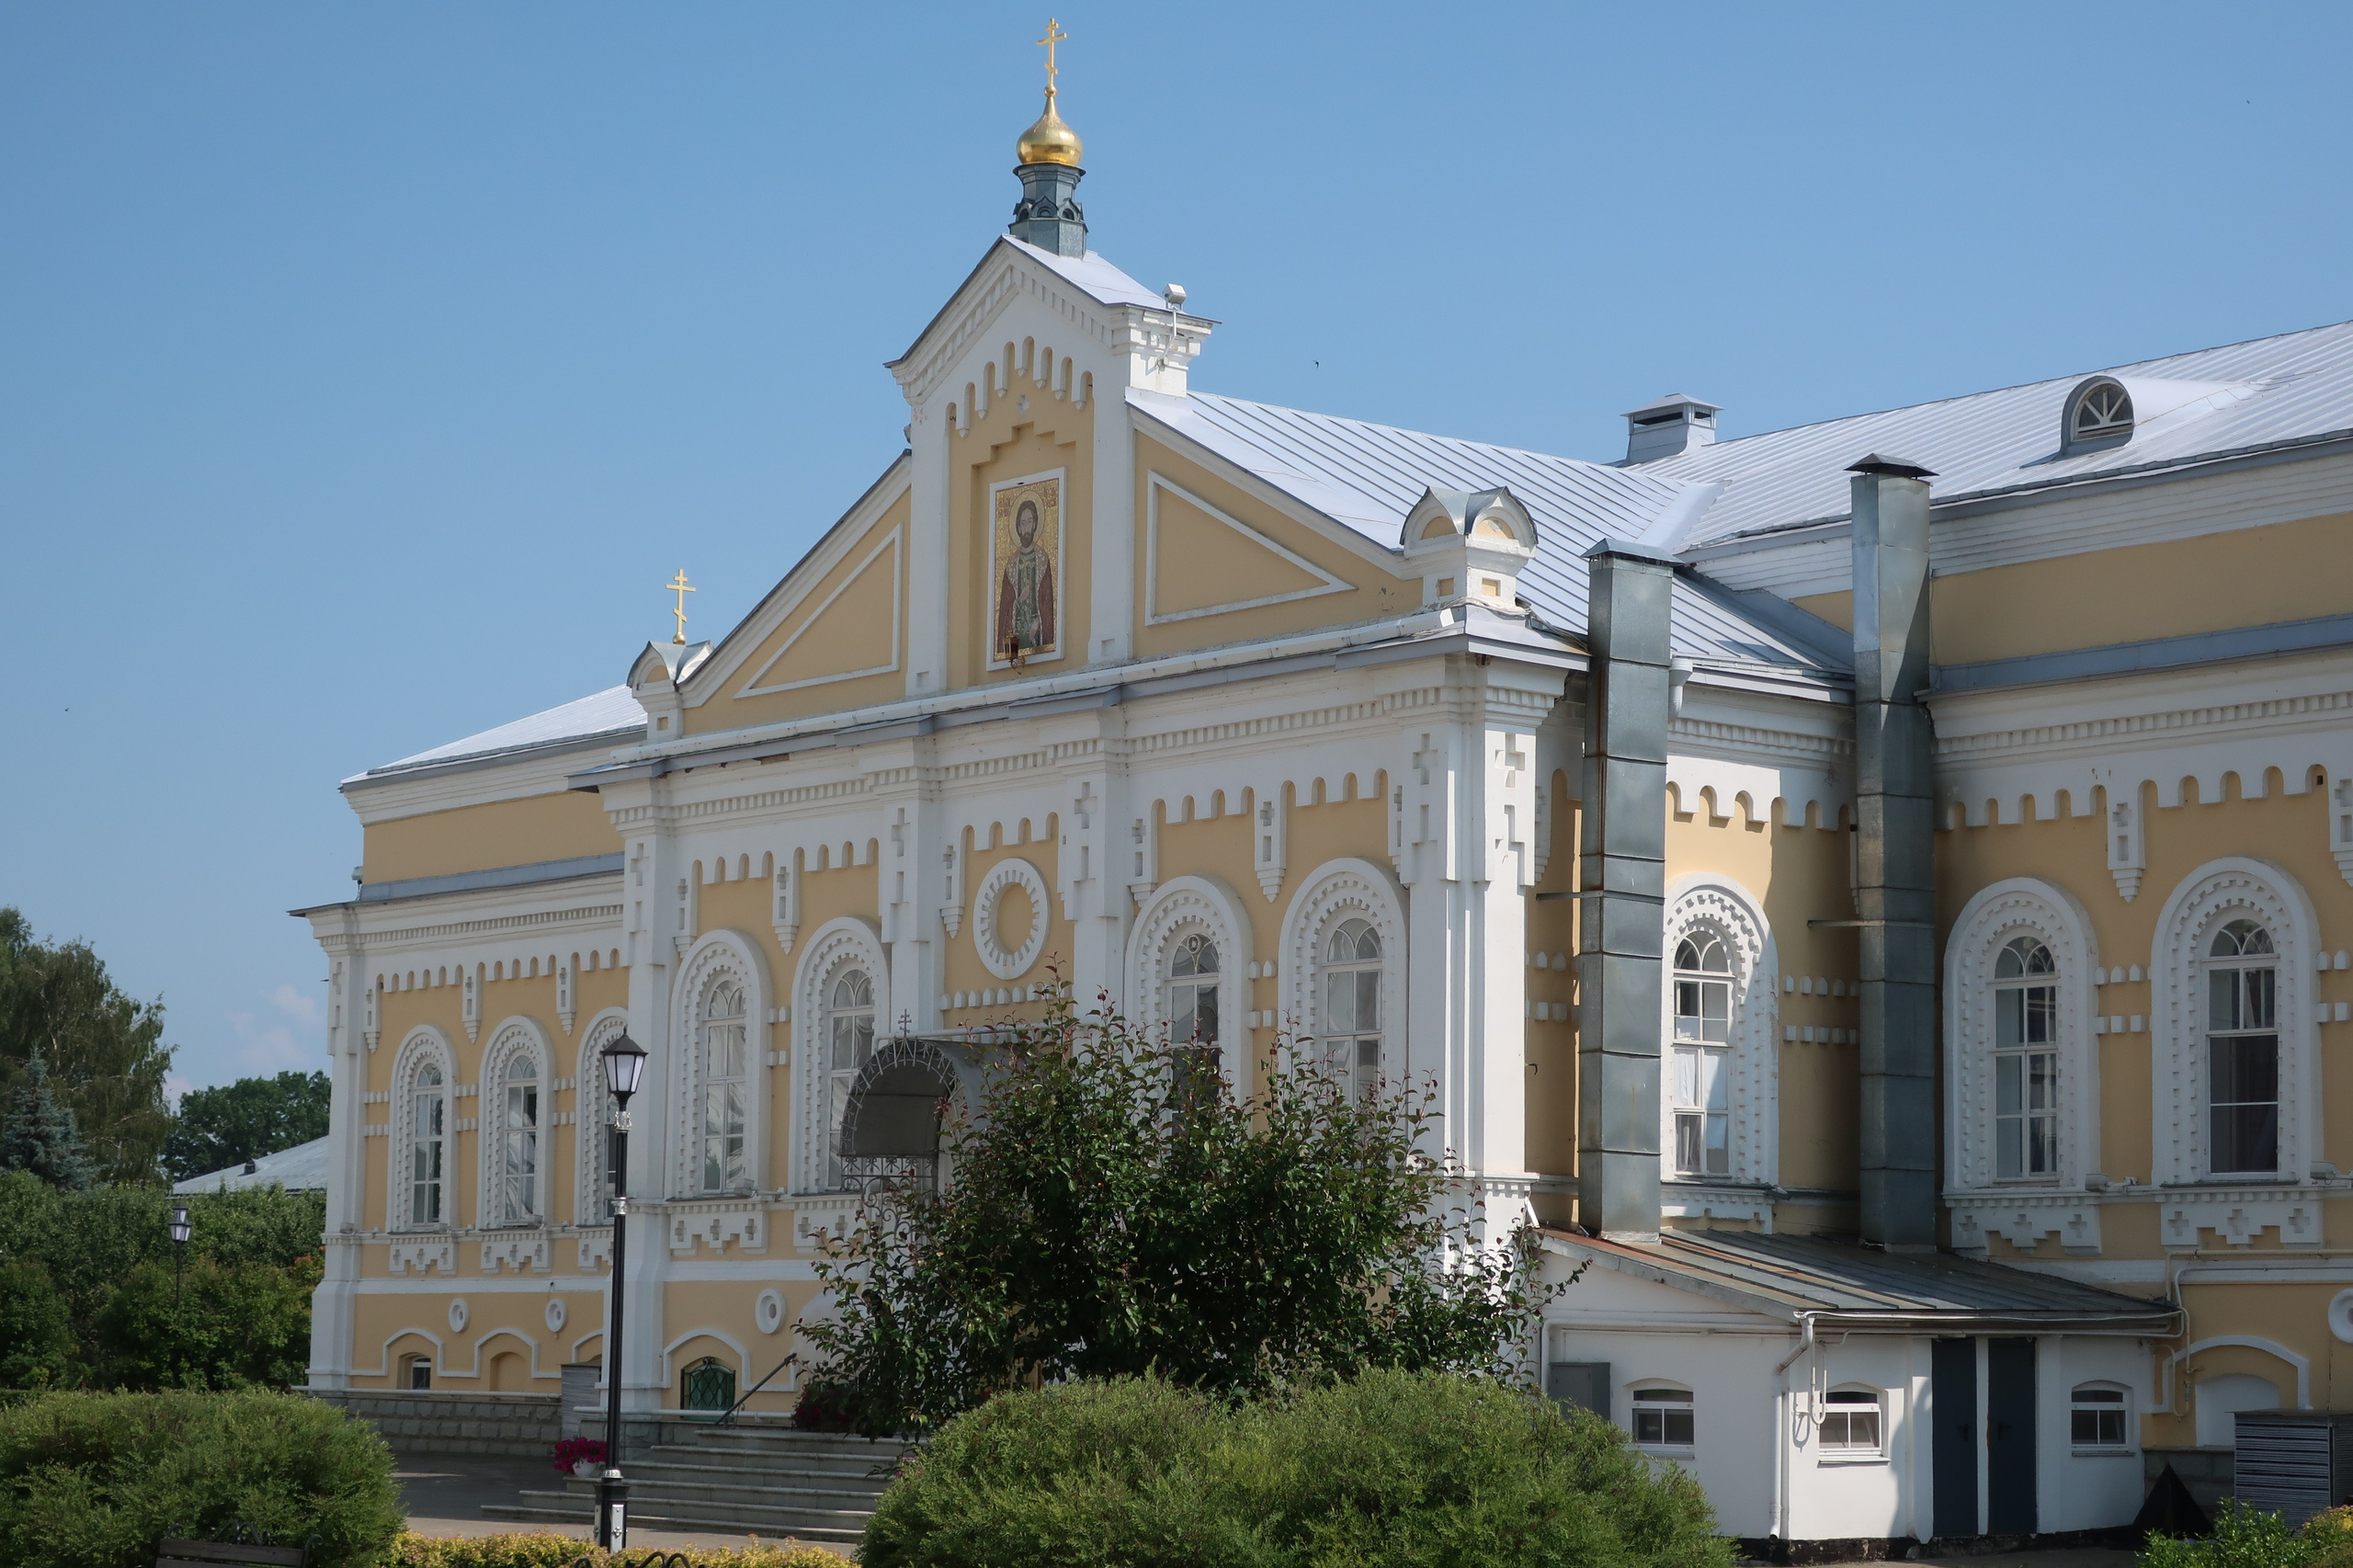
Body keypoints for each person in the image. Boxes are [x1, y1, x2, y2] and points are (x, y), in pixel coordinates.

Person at [996, 495, 1055, 658]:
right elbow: (1005, 609)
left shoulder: (1043, 560)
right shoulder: (1011, 564)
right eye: (1023, 523)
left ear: (1035, 524)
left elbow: (1047, 602)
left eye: (1029, 521)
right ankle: (1013, 657)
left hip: (1038, 631)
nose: (1026, 527)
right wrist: (1019, 602)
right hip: (1016, 634)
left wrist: (1038, 623)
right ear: (1018, 527)